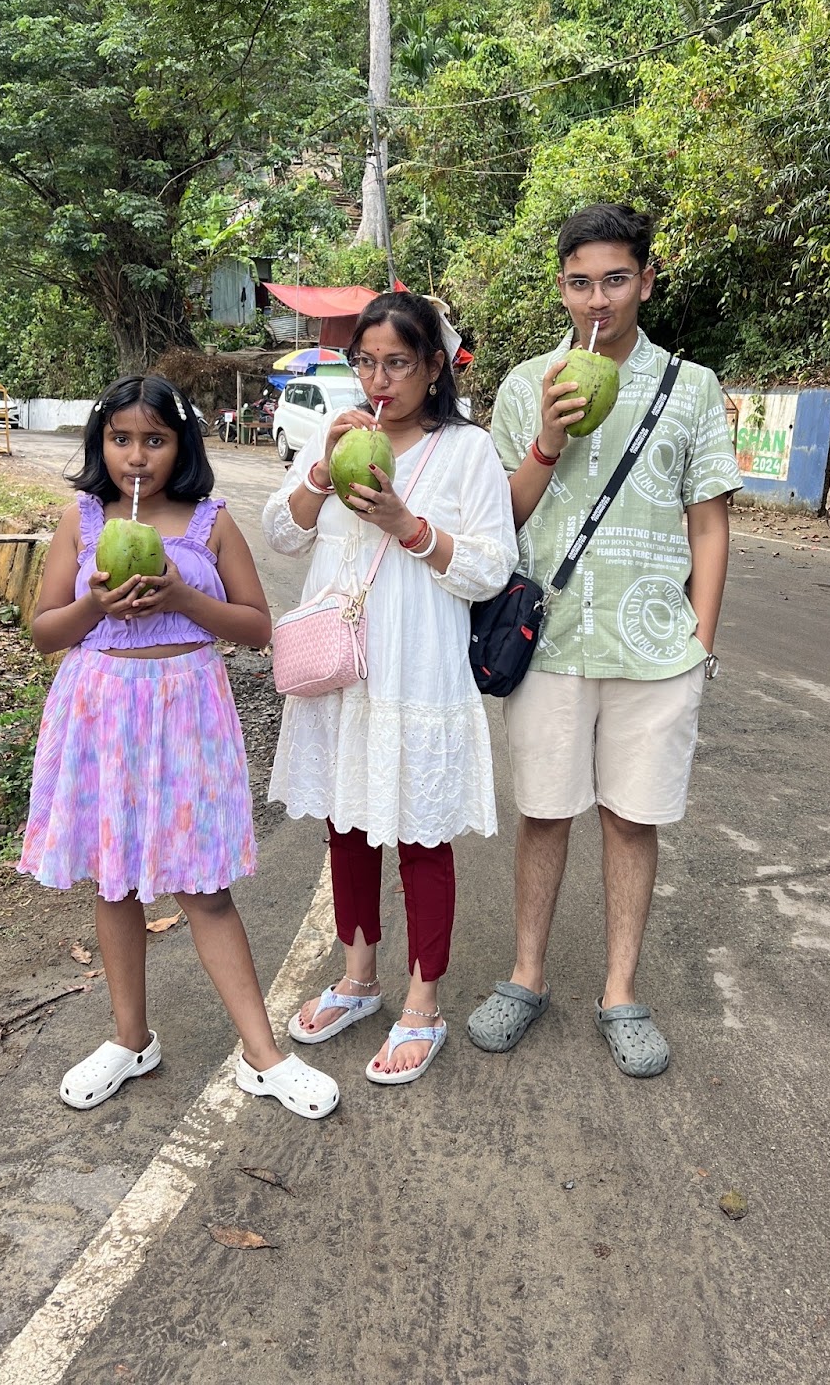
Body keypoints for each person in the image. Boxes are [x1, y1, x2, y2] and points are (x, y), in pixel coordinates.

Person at [18, 373, 339, 1120]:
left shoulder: (210, 521)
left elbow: (258, 627)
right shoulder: (84, 520)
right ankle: (131, 1039)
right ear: (102, 444)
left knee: (205, 890)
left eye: (154, 440)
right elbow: (43, 635)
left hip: (187, 710)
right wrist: (95, 604)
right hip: (101, 711)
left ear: (181, 444)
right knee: (113, 882)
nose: (136, 457)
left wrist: (182, 597)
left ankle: (263, 1056)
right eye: (121, 439)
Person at [467, 203, 740, 1077]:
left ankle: (621, 990)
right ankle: (525, 977)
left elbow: (710, 524)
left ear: (647, 280)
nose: (599, 298)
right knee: (544, 814)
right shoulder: (523, 386)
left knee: (632, 819)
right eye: (581, 281)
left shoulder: (691, 388)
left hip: (658, 648)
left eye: (616, 279)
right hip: (549, 639)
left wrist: (702, 636)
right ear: (561, 286)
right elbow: (501, 518)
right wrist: (547, 435)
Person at [263, 291, 518, 1086]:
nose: (380, 378)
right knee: (346, 825)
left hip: (416, 670)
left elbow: (488, 570)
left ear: (433, 366)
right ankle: (358, 975)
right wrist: (318, 465)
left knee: (419, 835)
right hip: (342, 673)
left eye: (397, 362)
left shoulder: (465, 452)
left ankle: (423, 1002)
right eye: (365, 362)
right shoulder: (338, 436)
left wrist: (409, 524)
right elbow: (280, 532)